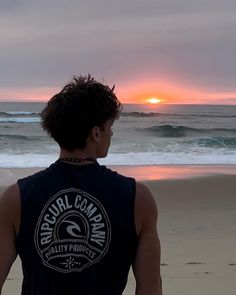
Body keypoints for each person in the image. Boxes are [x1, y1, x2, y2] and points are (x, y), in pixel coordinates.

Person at [0, 74, 162, 295]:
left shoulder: (16, 198)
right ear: (96, 133)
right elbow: (150, 287)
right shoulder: (137, 198)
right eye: (109, 125)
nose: (112, 132)